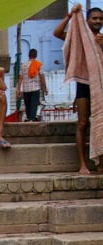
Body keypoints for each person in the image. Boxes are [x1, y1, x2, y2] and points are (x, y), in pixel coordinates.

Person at [54, 4, 103, 174]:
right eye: (94, 18)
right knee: (82, 123)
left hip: (101, 86)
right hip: (84, 86)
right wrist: (69, 15)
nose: (97, 21)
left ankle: (101, 164)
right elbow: (57, 33)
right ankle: (82, 164)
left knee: (101, 123)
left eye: (100, 19)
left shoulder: (102, 39)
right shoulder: (79, 39)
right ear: (87, 20)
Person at [16, 49, 48, 122]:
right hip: (35, 88)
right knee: (34, 104)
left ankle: (29, 117)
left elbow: (20, 78)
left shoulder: (23, 65)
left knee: (27, 104)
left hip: (26, 89)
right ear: (36, 55)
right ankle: (32, 119)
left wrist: (18, 89)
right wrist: (45, 88)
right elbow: (42, 76)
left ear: (28, 55)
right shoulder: (38, 64)